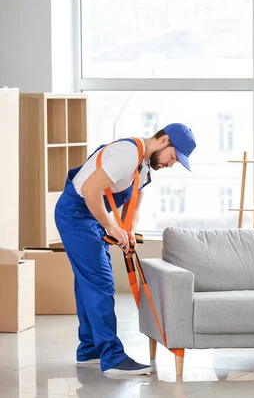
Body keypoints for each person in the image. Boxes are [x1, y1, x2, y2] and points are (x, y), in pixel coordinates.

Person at [54, 123, 196, 375]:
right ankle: (112, 357)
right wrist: (111, 227)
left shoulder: (143, 168)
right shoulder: (127, 154)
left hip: (90, 217)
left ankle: (90, 350)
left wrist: (127, 233)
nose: (171, 164)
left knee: (88, 283)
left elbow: (134, 206)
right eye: (174, 157)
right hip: (76, 214)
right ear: (164, 140)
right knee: (101, 283)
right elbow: (89, 190)